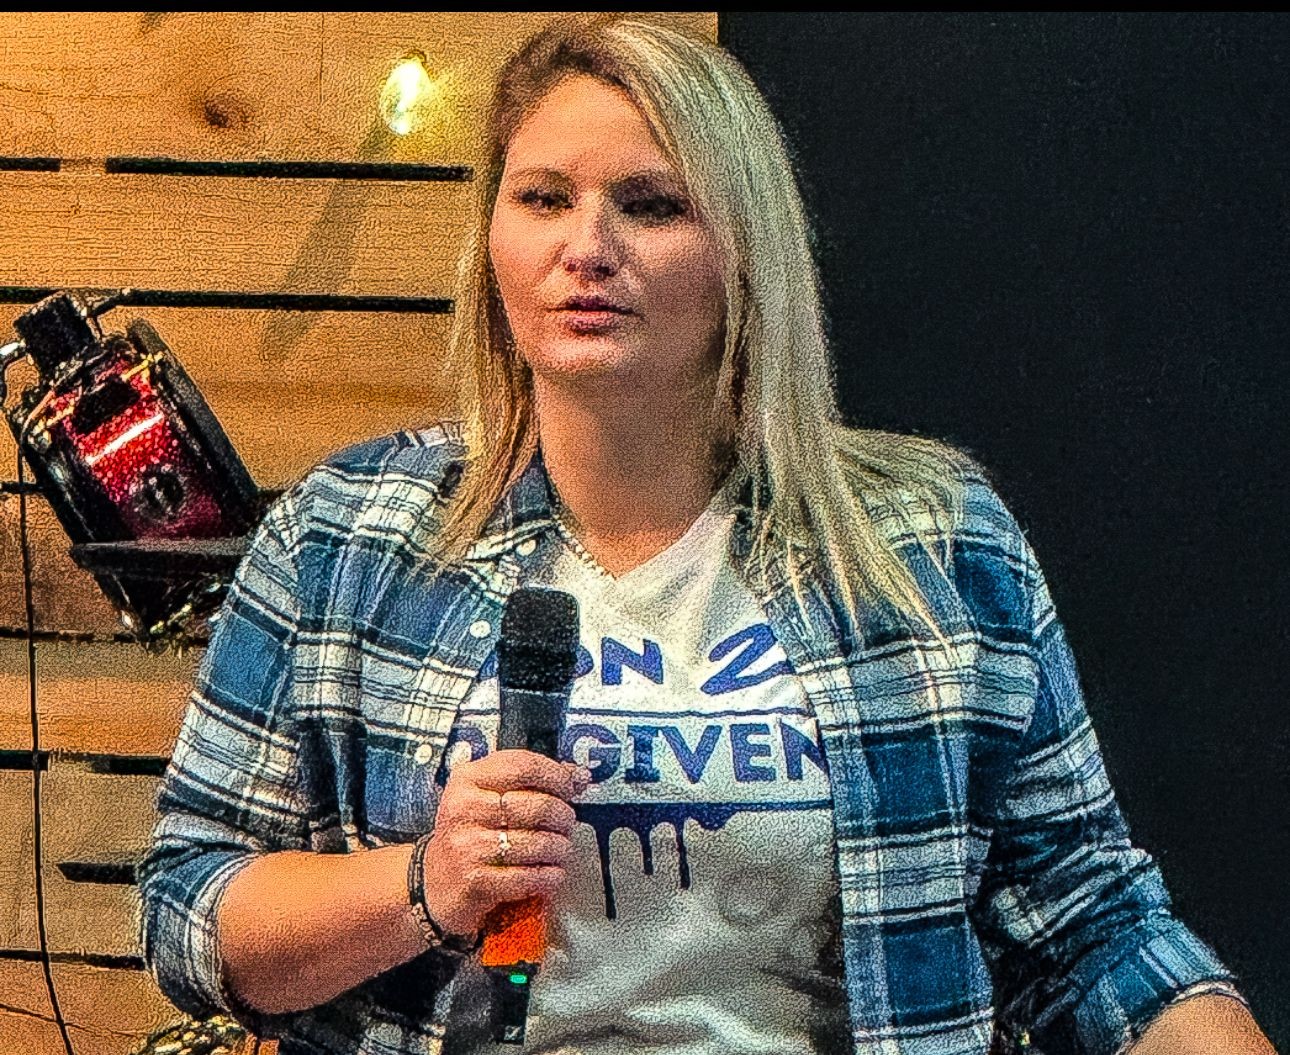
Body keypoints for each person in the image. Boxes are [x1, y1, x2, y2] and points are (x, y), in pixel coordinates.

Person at [138, 15, 1277, 1055]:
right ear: (491, 239)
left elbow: (1092, 923)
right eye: (543, 198)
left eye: (651, 203)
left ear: (746, 252)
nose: (587, 246)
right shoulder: (350, 538)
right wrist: (424, 884)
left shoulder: (935, 540)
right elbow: (192, 904)